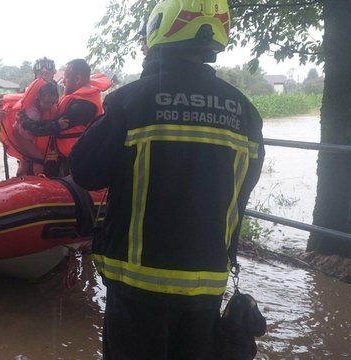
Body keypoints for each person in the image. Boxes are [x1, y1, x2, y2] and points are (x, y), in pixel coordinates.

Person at [68, 0, 265, 358]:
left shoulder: (132, 102)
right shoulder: (246, 113)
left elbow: (83, 169)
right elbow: (242, 189)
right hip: (206, 283)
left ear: (160, 30)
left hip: (136, 285)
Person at [33, 59, 106, 177]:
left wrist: (25, 123)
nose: (64, 83)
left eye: (65, 79)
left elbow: (51, 126)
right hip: (59, 156)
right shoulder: (75, 98)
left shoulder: (83, 106)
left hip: (70, 162)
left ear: (77, 79)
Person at [13, 81, 60, 175]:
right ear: (38, 97)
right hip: (22, 136)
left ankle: (23, 177)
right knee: (39, 159)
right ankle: (37, 180)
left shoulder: (39, 105)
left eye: (52, 103)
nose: (49, 106)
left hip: (26, 136)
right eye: (46, 103)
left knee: (26, 160)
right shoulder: (32, 112)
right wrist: (56, 124)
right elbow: (36, 129)